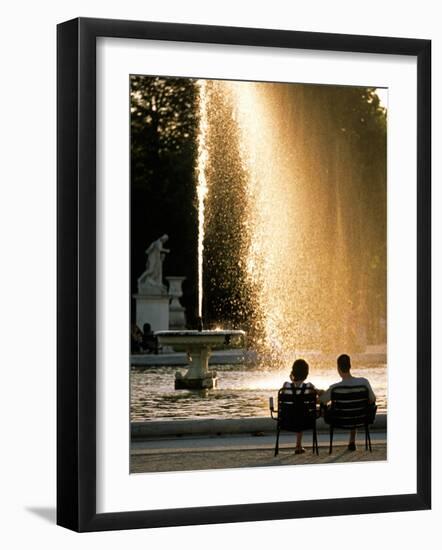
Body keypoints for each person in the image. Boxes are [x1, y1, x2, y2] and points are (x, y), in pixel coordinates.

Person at [320, 354, 376, 451]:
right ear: (350, 366)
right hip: (361, 418)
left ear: (338, 368)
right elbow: (373, 399)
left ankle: (348, 442)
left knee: (328, 407)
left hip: (340, 420)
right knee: (355, 410)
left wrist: (319, 392)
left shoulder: (335, 388)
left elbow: (321, 400)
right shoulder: (363, 382)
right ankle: (352, 441)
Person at [281, 359, 319, 454]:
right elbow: (320, 393)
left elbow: (294, 389)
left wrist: (292, 380)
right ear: (306, 373)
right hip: (305, 422)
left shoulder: (285, 386)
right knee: (301, 411)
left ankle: (298, 445)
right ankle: (299, 445)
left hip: (287, 421)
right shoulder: (309, 387)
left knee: (296, 410)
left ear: (293, 371)